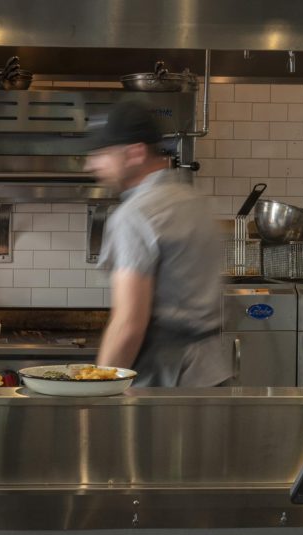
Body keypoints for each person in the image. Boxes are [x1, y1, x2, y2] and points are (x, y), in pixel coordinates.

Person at [88, 100, 229, 388]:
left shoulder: (136, 215)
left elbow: (129, 324)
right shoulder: (195, 202)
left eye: (104, 154)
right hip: (213, 374)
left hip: (166, 380)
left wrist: (98, 387)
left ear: (136, 153)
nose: (93, 164)